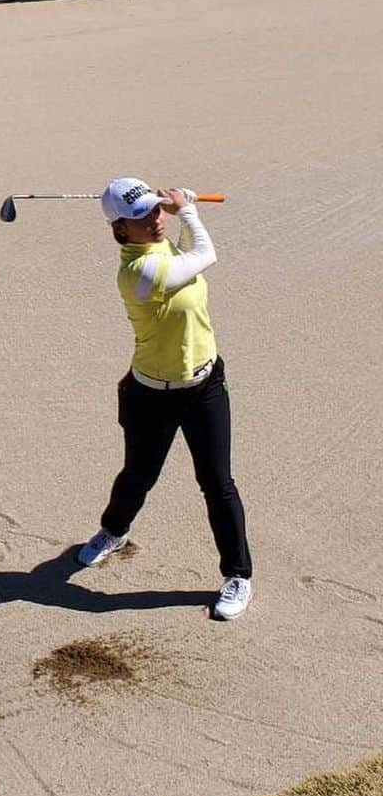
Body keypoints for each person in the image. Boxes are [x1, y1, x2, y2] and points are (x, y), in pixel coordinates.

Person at [77, 177, 253, 620]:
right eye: (142, 217)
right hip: (149, 393)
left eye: (156, 210)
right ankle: (112, 532)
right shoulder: (135, 274)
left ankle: (238, 575)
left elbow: (190, 249)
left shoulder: (166, 247)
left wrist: (178, 210)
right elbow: (206, 255)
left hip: (205, 385)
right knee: (138, 475)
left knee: (217, 483)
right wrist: (188, 210)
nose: (155, 221)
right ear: (120, 231)